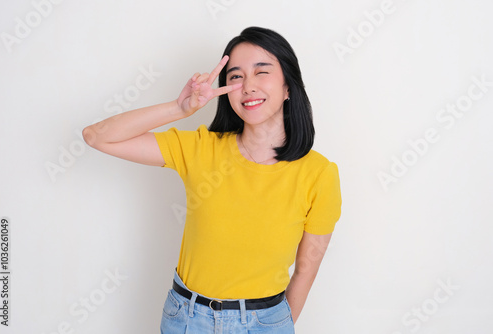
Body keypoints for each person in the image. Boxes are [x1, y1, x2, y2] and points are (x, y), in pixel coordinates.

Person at [83, 26, 342, 333]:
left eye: (262, 72)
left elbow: (305, 271)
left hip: (264, 322)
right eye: (235, 76)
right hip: (186, 319)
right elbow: (97, 137)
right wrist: (179, 108)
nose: (247, 86)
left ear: (288, 87)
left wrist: (276, 326)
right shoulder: (201, 148)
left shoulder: (320, 173)